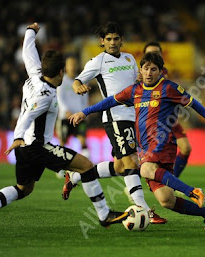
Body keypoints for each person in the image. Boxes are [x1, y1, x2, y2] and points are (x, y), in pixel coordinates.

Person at [0, 23, 128, 236]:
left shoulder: (34, 76)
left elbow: (27, 53)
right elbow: (28, 115)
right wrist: (17, 136)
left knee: (24, 189)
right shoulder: (46, 95)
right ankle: (104, 214)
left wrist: (30, 32)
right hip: (36, 146)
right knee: (86, 166)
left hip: (25, 148)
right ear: (60, 72)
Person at [69, 52, 205, 229]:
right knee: (166, 200)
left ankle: (192, 191)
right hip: (145, 148)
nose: (149, 73)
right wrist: (84, 112)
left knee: (144, 168)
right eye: (146, 69)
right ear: (140, 70)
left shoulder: (169, 88)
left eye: (153, 69)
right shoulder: (135, 90)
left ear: (160, 71)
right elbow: (109, 101)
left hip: (163, 144)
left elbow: (194, 103)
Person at [63, 22, 166, 224]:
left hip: (133, 117)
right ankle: (144, 210)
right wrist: (78, 87)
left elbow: (137, 85)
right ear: (102, 41)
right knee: (131, 162)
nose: (112, 42)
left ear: (121, 40)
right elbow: (77, 80)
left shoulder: (129, 59)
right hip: (115, 117)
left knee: (120, 166)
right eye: (108, 39)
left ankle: (74, 177)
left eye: (116, 38)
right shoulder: (98, 61)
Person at [142, 42, 191, 178]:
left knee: (186, 148)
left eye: (156, 53)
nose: (153, 55)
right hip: (149, 120)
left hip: (168, 119)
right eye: (149, 53)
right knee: (145, 159)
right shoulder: (140, 74)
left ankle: (173, 182)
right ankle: (133, 187)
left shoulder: (164, 72)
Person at [55, 55, 89, 179]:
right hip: (65, 116)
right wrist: (65, 111)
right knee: (63, 142)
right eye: (70, 64)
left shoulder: (81, 80)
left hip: (78, 115)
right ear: (66, 66)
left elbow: (85, 97)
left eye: (74, 64)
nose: (73, 66)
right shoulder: (62, 81)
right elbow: (59, 97)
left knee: (82, 140)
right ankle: (59, 168)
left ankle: (88, 166)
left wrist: (85, 112)